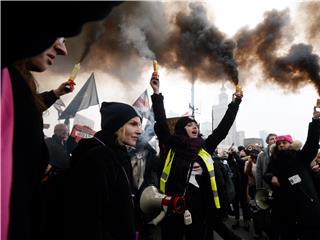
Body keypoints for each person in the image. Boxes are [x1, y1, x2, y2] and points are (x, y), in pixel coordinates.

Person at [150, 73, 243, 240]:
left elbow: (223, 128)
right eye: (189, 125)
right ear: (181, 129)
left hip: (202, 209)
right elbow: (161, 122)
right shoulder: (172, 144)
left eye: (196, 125)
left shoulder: (205, 146)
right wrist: (157, 94)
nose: (194, 127)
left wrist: (235, 104)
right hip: (174, 207)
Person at [2, 37, 74, 240]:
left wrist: (55, 93)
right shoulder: (6, 78)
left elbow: (26, 109)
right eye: (56, 36)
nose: (62, 49)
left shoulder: (16, 81)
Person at [64, 102, 142, 240]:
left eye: (139, 125)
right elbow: (89, 216)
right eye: (133, 124)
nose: (140, 131)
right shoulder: (99, 157)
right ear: (117, 125)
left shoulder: (120, 155)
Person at [264, 105, 320, 240]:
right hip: (284, 205)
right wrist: (272, 177)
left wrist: (315, 121)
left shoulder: (300, 157)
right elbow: (267, 174)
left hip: (304, 203)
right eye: (279, 143)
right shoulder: (275, 159)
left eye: (284, 142)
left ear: (290, 144)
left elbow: (311, 143)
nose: (281, 145)